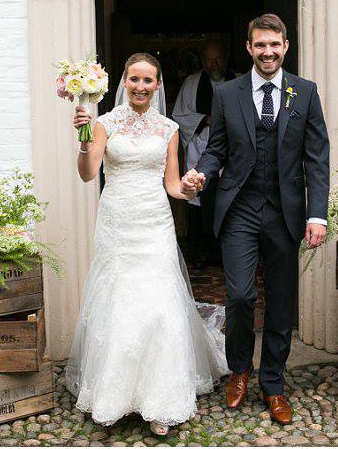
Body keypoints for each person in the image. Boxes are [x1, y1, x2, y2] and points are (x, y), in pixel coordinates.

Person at [65, 53, 229, 436]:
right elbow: (89, 175)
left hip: (154, 221)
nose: (140, 87)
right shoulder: (104, 123)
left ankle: (161, 400)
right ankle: (116, 396)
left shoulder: (169, 128)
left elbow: (171, 184)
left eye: (148, 81)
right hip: (117, 220)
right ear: (124, 81)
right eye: (134, 79)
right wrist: (84, 139)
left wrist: (190, 187)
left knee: (158, 304)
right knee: (119, 300)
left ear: (158, 85)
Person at [181, 14, 330, 425]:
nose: (267, 52)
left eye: (274, 45)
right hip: (240, 209)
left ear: (286, 46)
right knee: (242, 295)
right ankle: (240, 370)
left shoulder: (305, 92)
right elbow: (216, 150)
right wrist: (203, 173)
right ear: (249, 48)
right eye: (259, 45)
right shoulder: (228, 93)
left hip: (285, 213)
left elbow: (317, 158)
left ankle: (274, 384)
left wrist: (317, 214)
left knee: (281, 300)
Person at [172, 40, 236, 268]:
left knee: (228, 200)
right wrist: (205, 119)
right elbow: (179, 115)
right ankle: (199, 252)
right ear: (202, 61)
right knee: (198, 197)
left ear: (225, 58)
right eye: (209, 59)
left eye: (217, 58)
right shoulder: (192, 82)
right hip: (200, 146)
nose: (214, 63)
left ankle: (225, 253)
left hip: (230, 151)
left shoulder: (238, 81)